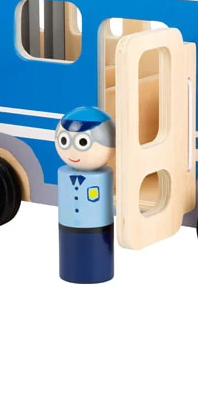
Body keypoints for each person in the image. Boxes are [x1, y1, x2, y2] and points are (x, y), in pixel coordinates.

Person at [55, 106, 115, 284]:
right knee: (71, 258)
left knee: (97, 260)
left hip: (99, 230)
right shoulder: (63, 172)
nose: (73, 152)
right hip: (68, 227)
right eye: (65, 141)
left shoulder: (103, 175)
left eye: (82, 142)